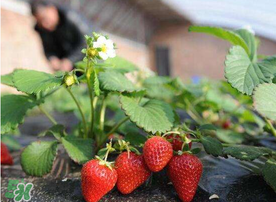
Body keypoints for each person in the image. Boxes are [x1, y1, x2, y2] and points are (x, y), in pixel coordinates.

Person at [30, 0, 92, 71]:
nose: (45, 24)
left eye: (45, 19)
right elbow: (48, 49)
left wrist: (70, 60)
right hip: (66, 70)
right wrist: (52, 58)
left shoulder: (71, 18)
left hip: (87, 64)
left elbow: (86, 42)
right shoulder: (41, 29)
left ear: (52, 9)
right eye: (40, 22)